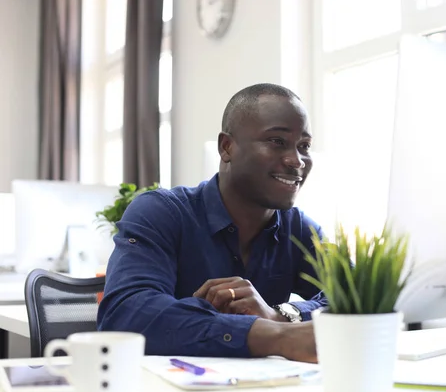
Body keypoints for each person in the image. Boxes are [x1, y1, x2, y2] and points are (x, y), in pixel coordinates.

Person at [97, 83, 327, 363]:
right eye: (277, 141)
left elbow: (364, 301)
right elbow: (126, 315)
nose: (297, 160)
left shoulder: (299, 229)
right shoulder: (161, 212)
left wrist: (280, 314)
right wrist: (273, 336)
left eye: (304, 146)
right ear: (227, 147)